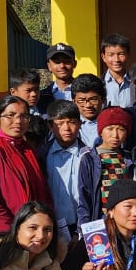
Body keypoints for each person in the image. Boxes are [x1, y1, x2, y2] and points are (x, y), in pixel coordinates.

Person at [0, 94, 52, 233]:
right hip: (4, 234)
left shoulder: (26, 148)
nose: (18, 121)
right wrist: (12, 233)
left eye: (24, 116)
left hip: (34, 232)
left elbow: (43, 190)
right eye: (10, 115)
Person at [77, 106, 136, 227]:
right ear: (101, 131)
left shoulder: (130, 159)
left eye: (121, 129)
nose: (115, 135)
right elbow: (84, 197)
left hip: (126, 220)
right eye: (110, 129)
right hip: (100, 220)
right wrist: (83, 228)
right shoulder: (89, 159)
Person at [39, 100, 88, 253]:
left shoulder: (88, 156)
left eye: (72, 122)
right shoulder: (41, 155)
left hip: (80, 225)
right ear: (50, 125)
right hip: (50, 226)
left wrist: (81, 230)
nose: (66, 128)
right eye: (60, 123)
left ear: (80, 124)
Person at [37, 42, 77, 113]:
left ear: (74, 64)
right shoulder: (42, 96)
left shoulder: (84, 92)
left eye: (66, 61)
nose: (62, 66)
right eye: (57, 62)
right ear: (49, 66)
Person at [71, 74, 107, 147]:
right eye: (81, 100)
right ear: (74, 101)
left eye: (93, 100)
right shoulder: (69, 124)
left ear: (103, 99)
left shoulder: (111, 124)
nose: (88, 105)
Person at [101, 33, 135, 108]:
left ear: (128, 55)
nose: (116, 59)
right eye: (111, 55)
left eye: (121, 54)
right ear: (103, 57)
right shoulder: (99, 83)